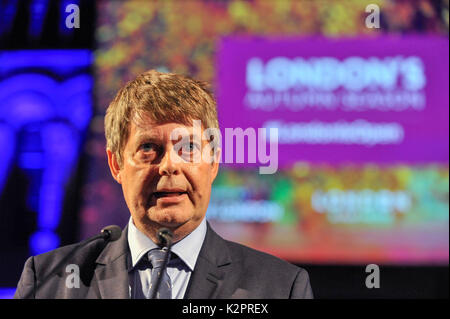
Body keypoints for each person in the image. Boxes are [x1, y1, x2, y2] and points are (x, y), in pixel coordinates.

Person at [14, 70, 313, 299]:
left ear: (213, 163)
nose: (170, 165)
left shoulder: (280, 287)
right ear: (116, 164)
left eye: (189, 148)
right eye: (148, 148)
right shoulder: (49, 280)